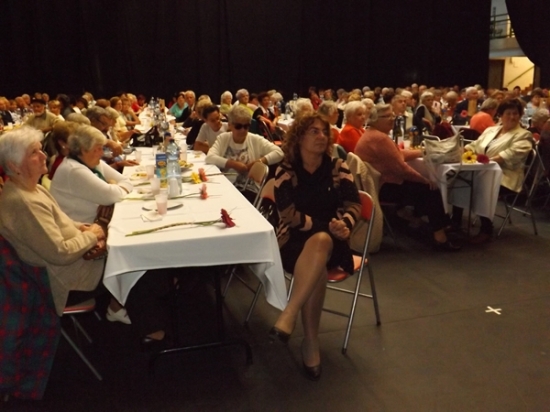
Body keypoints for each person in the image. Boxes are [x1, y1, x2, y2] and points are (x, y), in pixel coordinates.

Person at [270, 113, 361, 380]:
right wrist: (326, 226)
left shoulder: (338, 166)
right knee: (317, 261)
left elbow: (354, 205)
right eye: (314, 131)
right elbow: (288, 215)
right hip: (293, 240)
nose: (321, 136)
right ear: (298, 138)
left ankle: (290, 313)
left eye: (324, 132)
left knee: (321, 242)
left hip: (333, 242)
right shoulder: (285, 170)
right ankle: (310, 341)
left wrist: (344, 224)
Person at [0, 126, 105, 316]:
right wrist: (91, 236)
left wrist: (82, 227)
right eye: (34, 152)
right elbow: (60, 253)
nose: (44, 155)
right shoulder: (24, 203)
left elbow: (61, 221)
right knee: (134, 269)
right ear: (14, 166)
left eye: (41, 149)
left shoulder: (33, 188)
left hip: (79, 262)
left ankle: (123, 310)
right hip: (69, 281)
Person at [355, 103, 460, 251]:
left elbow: (397, 155)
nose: (392, 119)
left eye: (392, 115)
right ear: (375, 119)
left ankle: (433, 224)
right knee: (431, 190)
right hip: (383, 188)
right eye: (387, 116)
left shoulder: (371, 134)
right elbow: (401, 169)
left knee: (425, 187)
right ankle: (440, 236)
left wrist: (422, 152)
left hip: (375, 184)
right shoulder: (380, 138)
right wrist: (425, 180)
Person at [451, 99, 534, 243]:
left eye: (515, 113)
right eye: (508, 113)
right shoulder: (491, 130)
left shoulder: (524, 135)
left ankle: (486, 229)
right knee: (459, 179)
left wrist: (487, 160)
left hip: (506, 175)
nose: (512, 117)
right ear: (500, 115)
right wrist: (460, 151)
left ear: (520, 115)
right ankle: (455, 222)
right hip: (482, 170)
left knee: (480, 185)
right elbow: (475, 145)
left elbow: (510, 154)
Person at [205, 105, 283, 192]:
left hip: (248, 189)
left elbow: (279, 153)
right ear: (230, 125)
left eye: (246, 126)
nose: (243, 130)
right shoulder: (223, 138)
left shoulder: (255, 139)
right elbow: (209, 157)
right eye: (238, 126)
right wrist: (233, 164)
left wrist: (258, 162)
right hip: (224, 186)